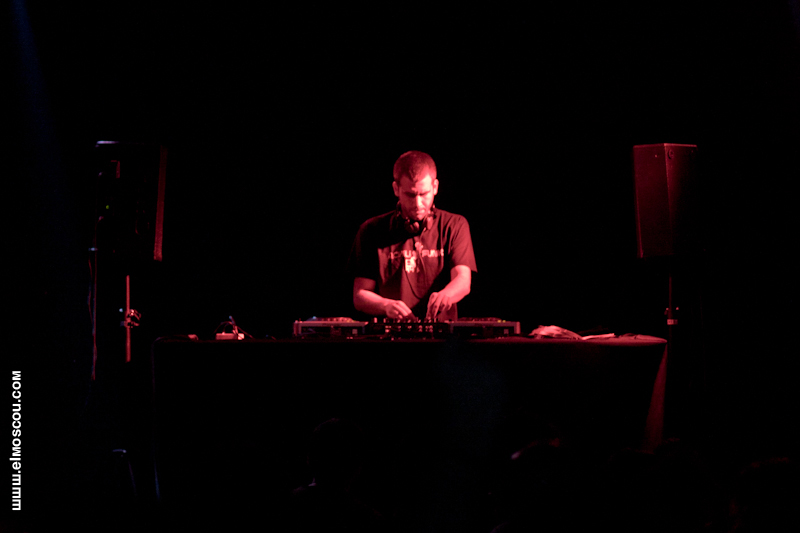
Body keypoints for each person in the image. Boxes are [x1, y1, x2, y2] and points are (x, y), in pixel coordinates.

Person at [348, 150, 477, 321]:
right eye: (410, 195)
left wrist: (446, 295)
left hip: (442, 333)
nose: (418, 203)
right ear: (396, 189)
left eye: (424, 194)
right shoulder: (371, 230)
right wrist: (386, 305)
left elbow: (463, 280)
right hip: (391, 334)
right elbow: (360, 295)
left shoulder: (454, 225)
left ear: (435, 187)